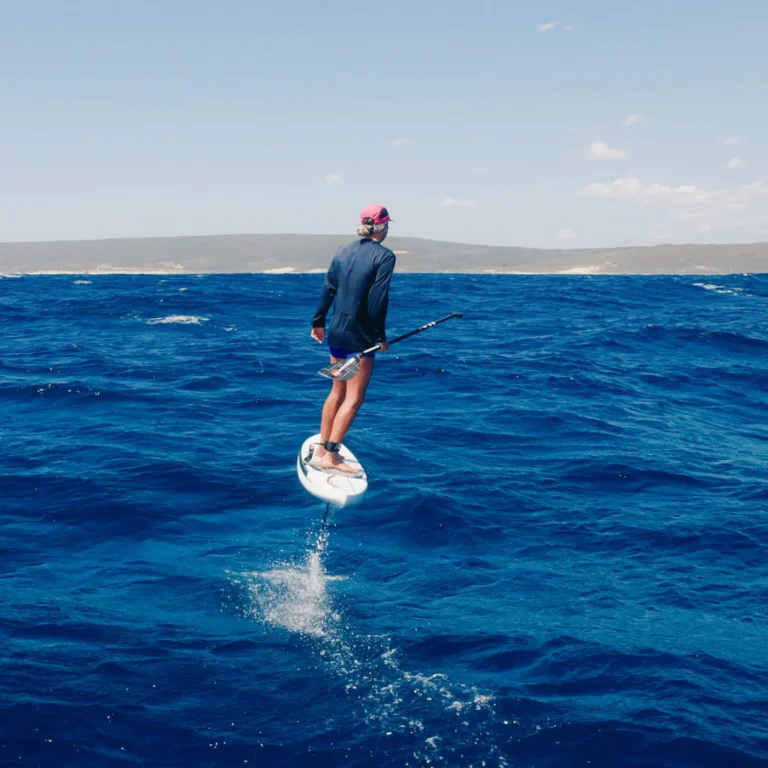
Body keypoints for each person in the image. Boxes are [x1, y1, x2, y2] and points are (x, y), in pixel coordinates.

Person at [310, 204, 396, 473]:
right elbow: (378, 300)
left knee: (337, 391)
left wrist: (318, 321)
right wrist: (379, 337)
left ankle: (321, 448)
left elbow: (328, 288)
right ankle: (331, 456)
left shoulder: (342, 250)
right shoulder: (385, 256)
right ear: (382, 226)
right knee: (354, 397)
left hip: (336, 331)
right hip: (361, 338)